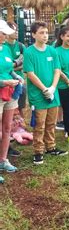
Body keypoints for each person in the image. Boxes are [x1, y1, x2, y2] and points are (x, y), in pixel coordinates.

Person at [24, 21, 68, 165]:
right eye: (41, 32)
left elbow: (57, 70)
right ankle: (38, 151)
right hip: (38, 95)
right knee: (39, 124)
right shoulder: (29, 52)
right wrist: (44, 89)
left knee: (51, 123)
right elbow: (30, 73)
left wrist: (53, 88)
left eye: (46, 32)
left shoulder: (52, 51)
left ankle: (51, 147)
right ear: (33, 35)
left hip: (52, 94)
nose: (44, 35)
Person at [0, 20, 22, 174]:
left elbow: (9, 68)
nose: (4, 36)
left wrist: (16, 77)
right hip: (2, 90)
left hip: (9, 93)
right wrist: (4, 82)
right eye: (2, 33)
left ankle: (3, 160)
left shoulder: (6, 49)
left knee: (7, 127)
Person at [5, 22, 26, 158]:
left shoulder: (20, 46)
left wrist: (14, 67)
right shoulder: (5, 47)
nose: (15, 32)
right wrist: (15, 64)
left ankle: (18, 129)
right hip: (5, 85)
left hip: (17, 82)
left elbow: (22, 64)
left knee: (18, 108)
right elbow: (8, 67)